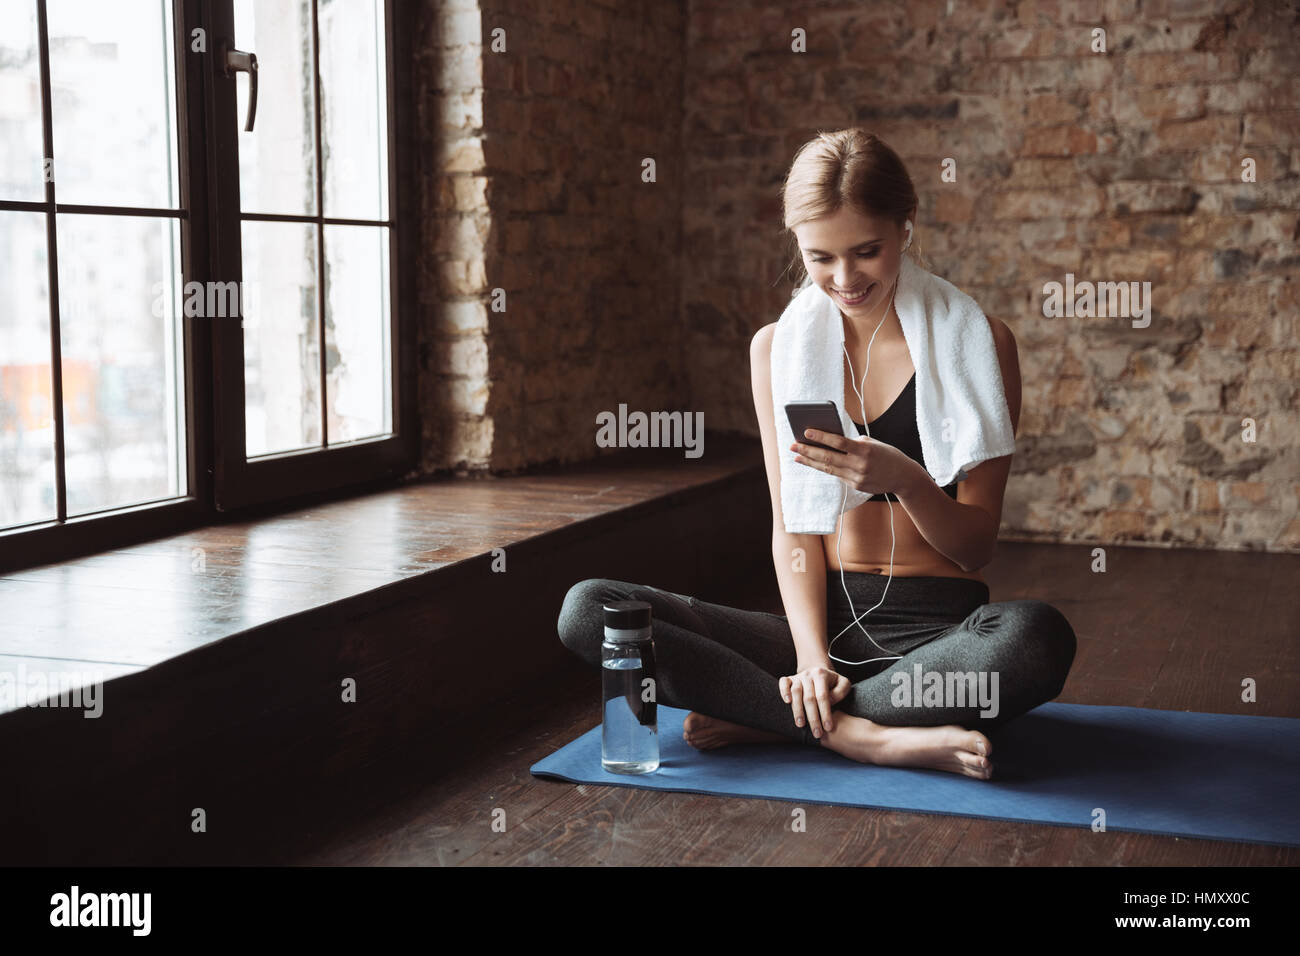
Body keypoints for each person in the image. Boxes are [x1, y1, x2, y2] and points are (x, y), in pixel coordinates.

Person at [557, 129, 1076, 780]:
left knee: (1036, 639)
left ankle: (770, 721)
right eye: (820, 257)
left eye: (867, 252)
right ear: (796, 242)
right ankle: (865, 736)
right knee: (592, 609)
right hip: (817, 633)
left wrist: (909, 482)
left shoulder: (980, 342)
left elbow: (975, 549)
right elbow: (792, 527)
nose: (844, 278)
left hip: (939, 640)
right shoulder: (778, 351)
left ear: (905, 225)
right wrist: (809, 661)